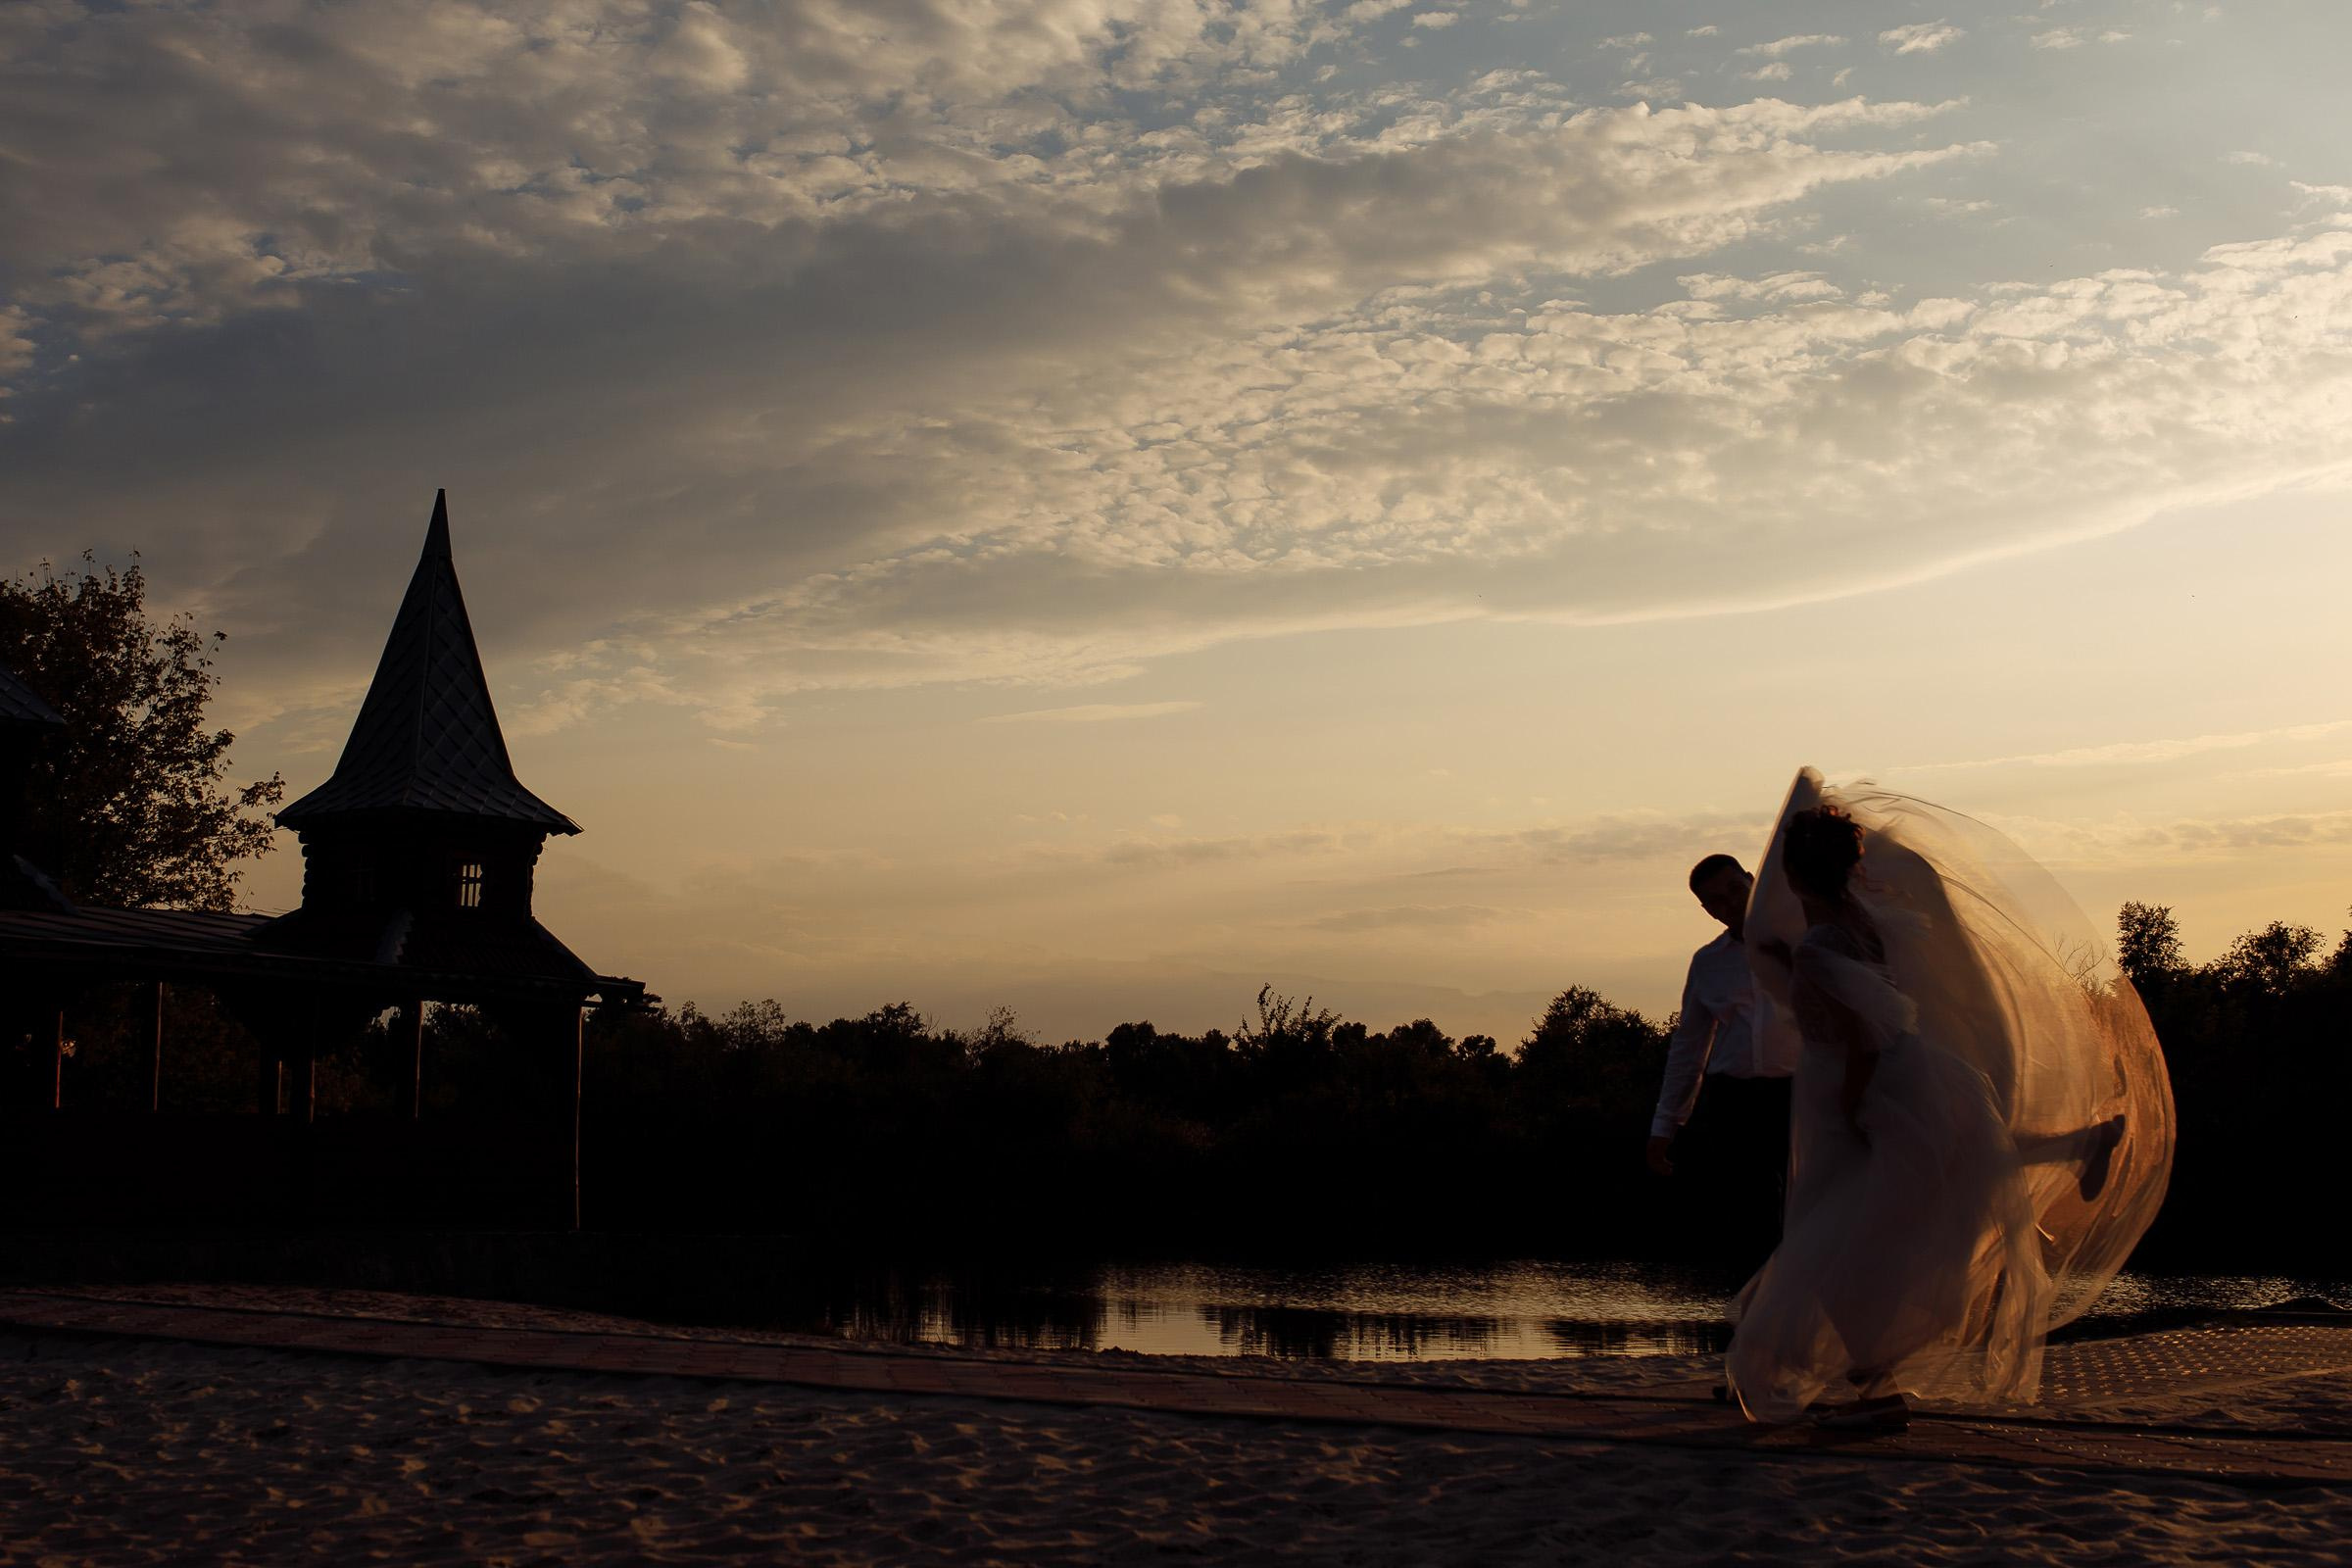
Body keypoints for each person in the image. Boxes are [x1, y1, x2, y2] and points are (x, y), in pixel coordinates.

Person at [1725, 770, 2174, 1428]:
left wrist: (1850, 1105)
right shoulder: (1856, 921)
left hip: (1870, 1086)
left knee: (1850, 1236)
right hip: (1918, 1070)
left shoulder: (1824, 945)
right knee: (1957, 1172)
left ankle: (1871, 1383)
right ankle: (2081, 1143)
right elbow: (1858, 996)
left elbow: (1857, 1033)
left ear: (1795, 874)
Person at [1644, 854, 1798, 1270]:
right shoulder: (1708, 963)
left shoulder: (1801, 938)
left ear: (1752, 880)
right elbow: (1688, 1048)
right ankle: (1755, 1322)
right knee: (1751, 1224)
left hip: (1801, 1094)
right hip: (1735, 1099)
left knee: (1812, 1211)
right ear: (1708, 910)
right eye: (1717, 900)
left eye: (1735, 889)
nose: (1730, 903)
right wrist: (1664, 1126)